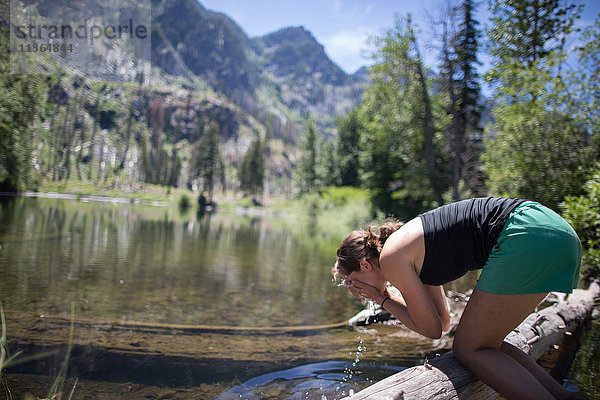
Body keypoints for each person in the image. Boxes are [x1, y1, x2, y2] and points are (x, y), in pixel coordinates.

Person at [333, 197, 582, 400]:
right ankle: (565, 396)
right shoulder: (410, 250)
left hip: (526, 235)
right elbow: (442, 324)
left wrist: (383, 299)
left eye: (351, 280)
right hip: (555, 232)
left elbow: (429, 330)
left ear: (365, 265)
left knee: (467, 349)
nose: (353, 288)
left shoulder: (392, 257)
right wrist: (385, 296)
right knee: (486, 345)